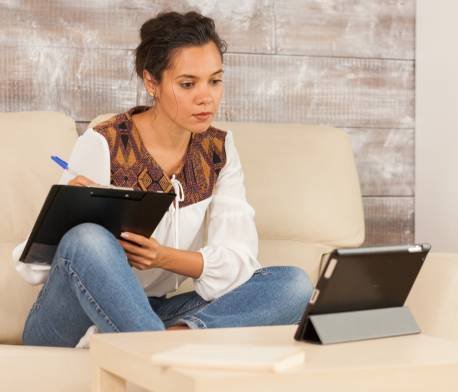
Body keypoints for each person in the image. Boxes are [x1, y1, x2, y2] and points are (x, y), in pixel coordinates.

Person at [12, 11, 313, 348]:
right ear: (151, 82)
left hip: (155, 314)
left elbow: (238, 262)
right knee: (87, 238)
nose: (206, 97)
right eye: (188, 83)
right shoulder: (104, 143)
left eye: (214, 80)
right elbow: (37, 267)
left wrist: (162, 257)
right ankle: (159, 350)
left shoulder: (219, 150)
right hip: (70, 322)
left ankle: (161, 341)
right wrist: (65, 215)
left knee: (292, 285)